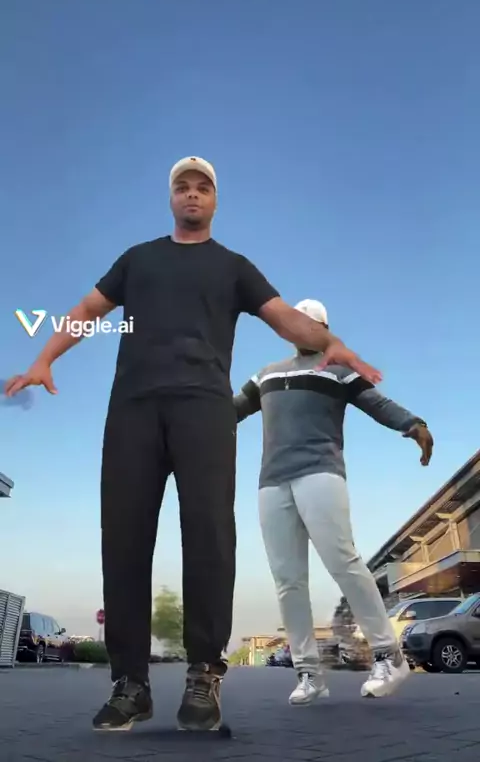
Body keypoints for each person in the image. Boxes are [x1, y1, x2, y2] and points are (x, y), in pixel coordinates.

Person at [5, 158, 382, 733]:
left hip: (205, 410)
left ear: (214, 200)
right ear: (171, 198)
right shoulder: (138, 259)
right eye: (182, 186)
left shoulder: (233, 267)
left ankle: (204, 673)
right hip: (132, 411)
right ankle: (130, 685)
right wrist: (44, 357)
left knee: (209, 536)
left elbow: (284, 318)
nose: (192, 194)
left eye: (202, 187)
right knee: (124, 540)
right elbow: (87, 311)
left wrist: (335, 344)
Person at [233, 298, 433, 705]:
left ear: (324, 330)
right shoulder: (267, 374)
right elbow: (231, 411)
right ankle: (308, 673)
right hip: (272, 483)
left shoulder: (339, 371)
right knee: (288, 580)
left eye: (313, 324)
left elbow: (378, 403)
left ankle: (389, 656)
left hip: (320, 472)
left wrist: (414, 424)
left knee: (343, 561)